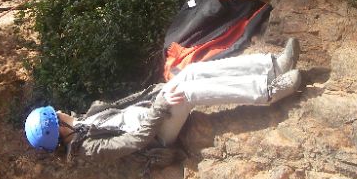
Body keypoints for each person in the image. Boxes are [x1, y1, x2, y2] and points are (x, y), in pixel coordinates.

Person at [24, 38, 302, 162]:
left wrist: (158, 91)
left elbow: (126, 103)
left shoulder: (85, 119)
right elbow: (135, 141)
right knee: (189, 93)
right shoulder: (89, 148)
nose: (59, 110)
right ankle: (268, 92)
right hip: (157, 134)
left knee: (190, 72)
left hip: (151, 113)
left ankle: (273, 65)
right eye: (55, 114)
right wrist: (161, 103)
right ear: (57, 126)